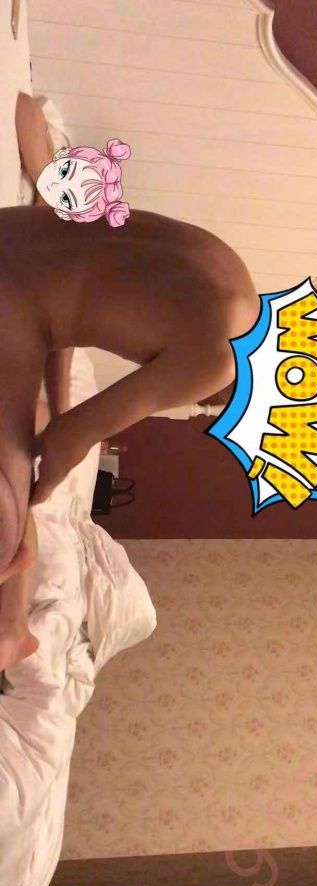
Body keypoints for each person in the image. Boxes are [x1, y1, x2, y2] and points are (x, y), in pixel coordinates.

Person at [0, 93, 259, 671]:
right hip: (11, 302)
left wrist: (58, 404)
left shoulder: (231, 271)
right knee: (8, 522)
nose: (206, 406)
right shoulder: (218, 361)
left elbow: (71, 306)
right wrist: (41, 492)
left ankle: (12, 626)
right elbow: (70, 439)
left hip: (12, 244)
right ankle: (11, 634)